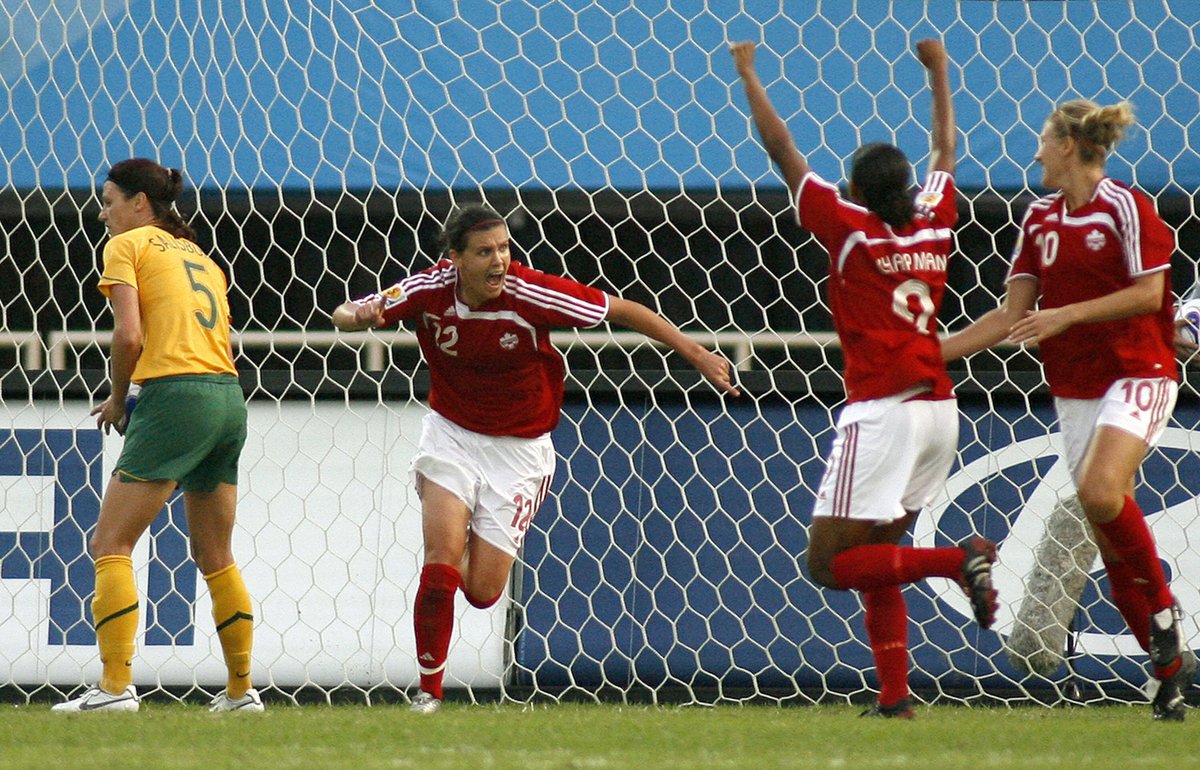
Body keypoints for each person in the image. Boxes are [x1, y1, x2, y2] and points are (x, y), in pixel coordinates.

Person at [332, 203, 739, 713]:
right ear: (455, 258)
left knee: (481, 591)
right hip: (451, 434)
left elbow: (627, 311)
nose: (499, 260)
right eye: (484, 251)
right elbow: (345, 313)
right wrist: (358, 317)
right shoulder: (427, 290)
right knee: (439, 560)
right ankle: (428, 692)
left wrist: (697, 354)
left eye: (504, 248)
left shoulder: (532, 293)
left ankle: (460, 552)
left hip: (520, 451)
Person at [732, 38, 997, 719]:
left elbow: (779, 147)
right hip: (940, 412)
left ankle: (956, 560)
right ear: (906, 189)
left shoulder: (847, 226)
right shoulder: (936, 217)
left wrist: (748, 73)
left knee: (826, 565)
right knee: (878, 552)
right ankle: (895, 697)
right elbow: (945, 149)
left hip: (882, 412)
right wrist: (940, 71)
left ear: (854, 192)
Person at [941, 99, 1196, 721]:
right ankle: (1168, 672)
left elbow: (1149, 293)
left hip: (1140, 372)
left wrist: (1068, 314)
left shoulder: (1127, 208)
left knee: (1103, 493)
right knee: (1110, 540)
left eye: (1042, 141)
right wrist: (922, 357)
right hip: (1076, 388)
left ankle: (1162, 614)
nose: (1034, 153)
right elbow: (1009, 316)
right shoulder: (1038, 219)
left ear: (1070, 147)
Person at [52, 159, 262, 713]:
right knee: (216, 554)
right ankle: (241, 693)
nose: (102, 213)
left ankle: (115, 689)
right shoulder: (203, 258)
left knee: (109, 544)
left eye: (109, 199)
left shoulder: (129, 244)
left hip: (175, 396)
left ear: (140, 203)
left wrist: (120, 400)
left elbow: (128, 336)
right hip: (227, 397)